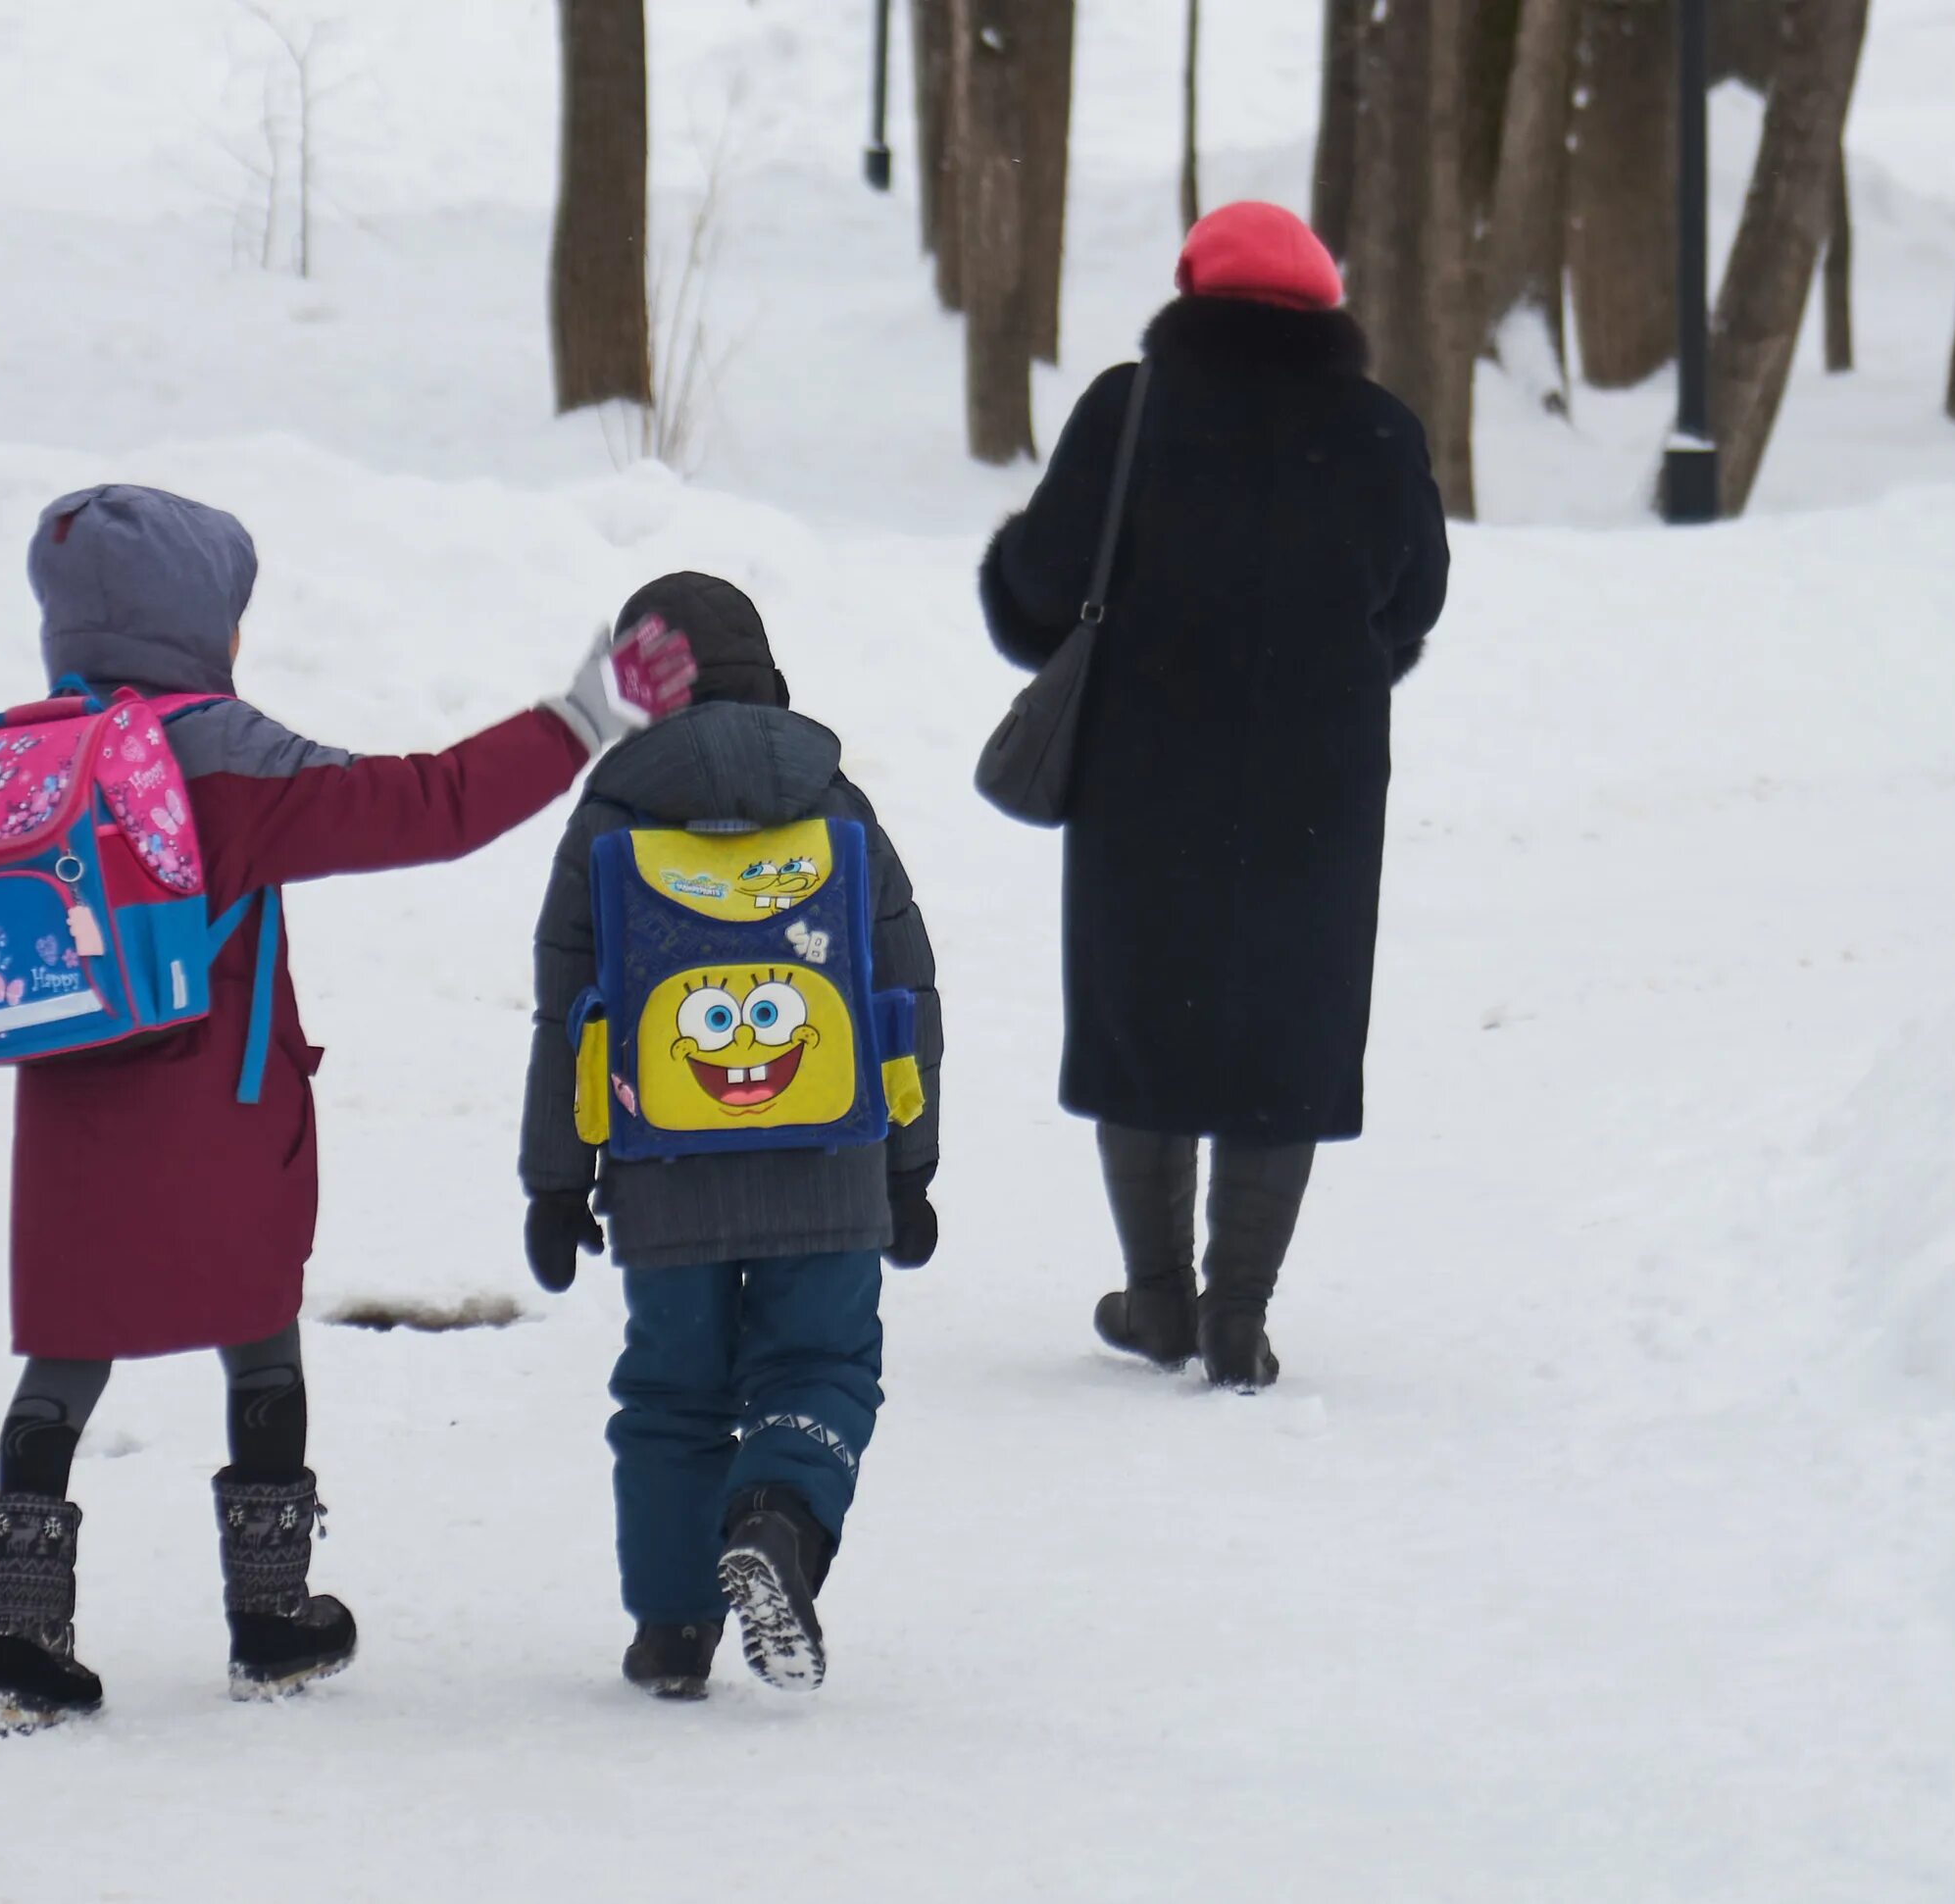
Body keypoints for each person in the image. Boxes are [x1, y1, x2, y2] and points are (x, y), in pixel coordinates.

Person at [0, 486, 697, 1734]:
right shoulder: (220, 755)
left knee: (66, 1358)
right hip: (218, 1111)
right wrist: (586, 715)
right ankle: (273, 1617)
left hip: (71, 1126)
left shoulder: (26, 756)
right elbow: (432, 805)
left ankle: (24, 1644)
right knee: (259, 1333)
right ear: (198, 626)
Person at [978, 201, 1448, 1392]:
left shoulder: (1129, 411)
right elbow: (1415, 599)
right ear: (1327, 307)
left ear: (1192, 289)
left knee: (1145, 1014)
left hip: (1146, 777)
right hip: (1319, 784)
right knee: (1287, 1024)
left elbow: (1039, 585)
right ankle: (1240, 1314)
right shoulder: (1383, 432)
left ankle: (1158, 1297)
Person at [519, 574, 942, 1699]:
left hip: (663, 1164)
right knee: (824, 1361)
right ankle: (781, 1516)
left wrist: (557, 1184)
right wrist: (911, 1164)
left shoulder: (612, 813)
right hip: (832, 1150)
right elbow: (906, 988)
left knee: (673, 1393)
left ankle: (671, 1629)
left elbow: (567, 1013)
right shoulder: (833, 800)